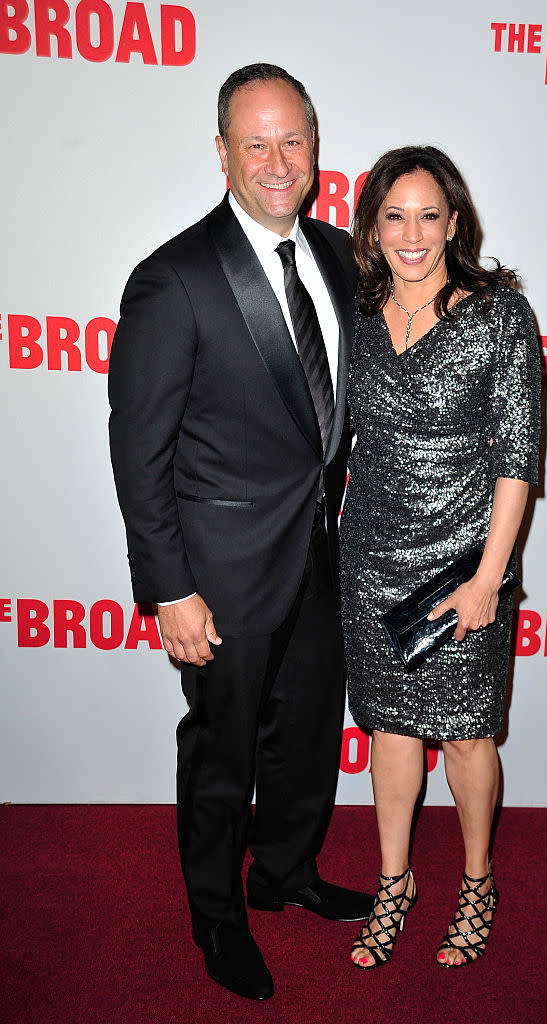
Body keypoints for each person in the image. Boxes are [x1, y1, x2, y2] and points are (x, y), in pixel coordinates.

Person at [108, 63, 371, 1002]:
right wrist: (169, 589)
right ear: (221, 152)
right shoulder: (173, 278)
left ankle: (284, 872)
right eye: (253, 142)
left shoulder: (344, 258)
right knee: (220, 753)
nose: (275, 160)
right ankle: (215, 915)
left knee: (304, 738)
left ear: (314, 150)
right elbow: (138, 454)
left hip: (318, 556)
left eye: (291, 140)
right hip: (216, 578)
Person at [339, 146, 541, 969]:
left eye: (429, 215)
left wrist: (489, 577)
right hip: (371, 555)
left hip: (463, 562)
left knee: (462, 737)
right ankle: (394, 884)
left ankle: (475, 879)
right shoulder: (356, 309)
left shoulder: (498, 315)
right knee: (388, 729)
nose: (411, 233)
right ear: (372, 228)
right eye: (394, 215)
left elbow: (515, 457)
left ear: (454, 223)